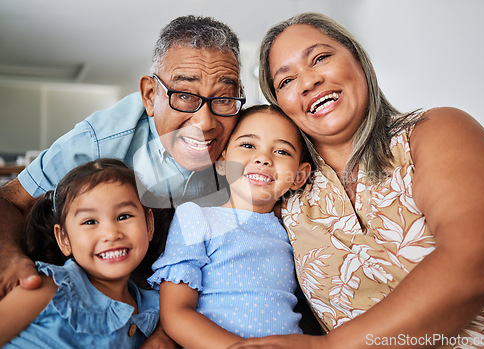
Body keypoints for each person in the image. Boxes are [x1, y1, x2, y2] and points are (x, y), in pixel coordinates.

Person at [228, 12, 484, 349]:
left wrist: (328, 347)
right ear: (281, 106)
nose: (308, 82)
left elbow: (480, 258)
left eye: (321, 58)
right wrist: (164, 321)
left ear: (358, 59)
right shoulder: (287, 194)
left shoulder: (436, 131)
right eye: (286, 81)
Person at [0, 15, 245, 299]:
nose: (205, 123)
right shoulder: (100, 140)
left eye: (224, 98)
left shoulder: (247, 135)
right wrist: (10, 258)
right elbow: (10, 198)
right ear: (150, 95)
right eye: (185, 96)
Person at [147, 105, 312, 348]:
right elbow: (176, 313)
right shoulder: (195, 217)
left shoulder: (293, 230)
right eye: (248, 146)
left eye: (281, 151)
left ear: (299, 176)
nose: (263, 158)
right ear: (222, 161)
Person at [0, 159, 160, 348]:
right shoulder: (50, 286)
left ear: (149, 224)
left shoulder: (153, 306)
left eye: (123, 216)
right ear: (64, 239)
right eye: (90, 222)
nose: (110, 234)